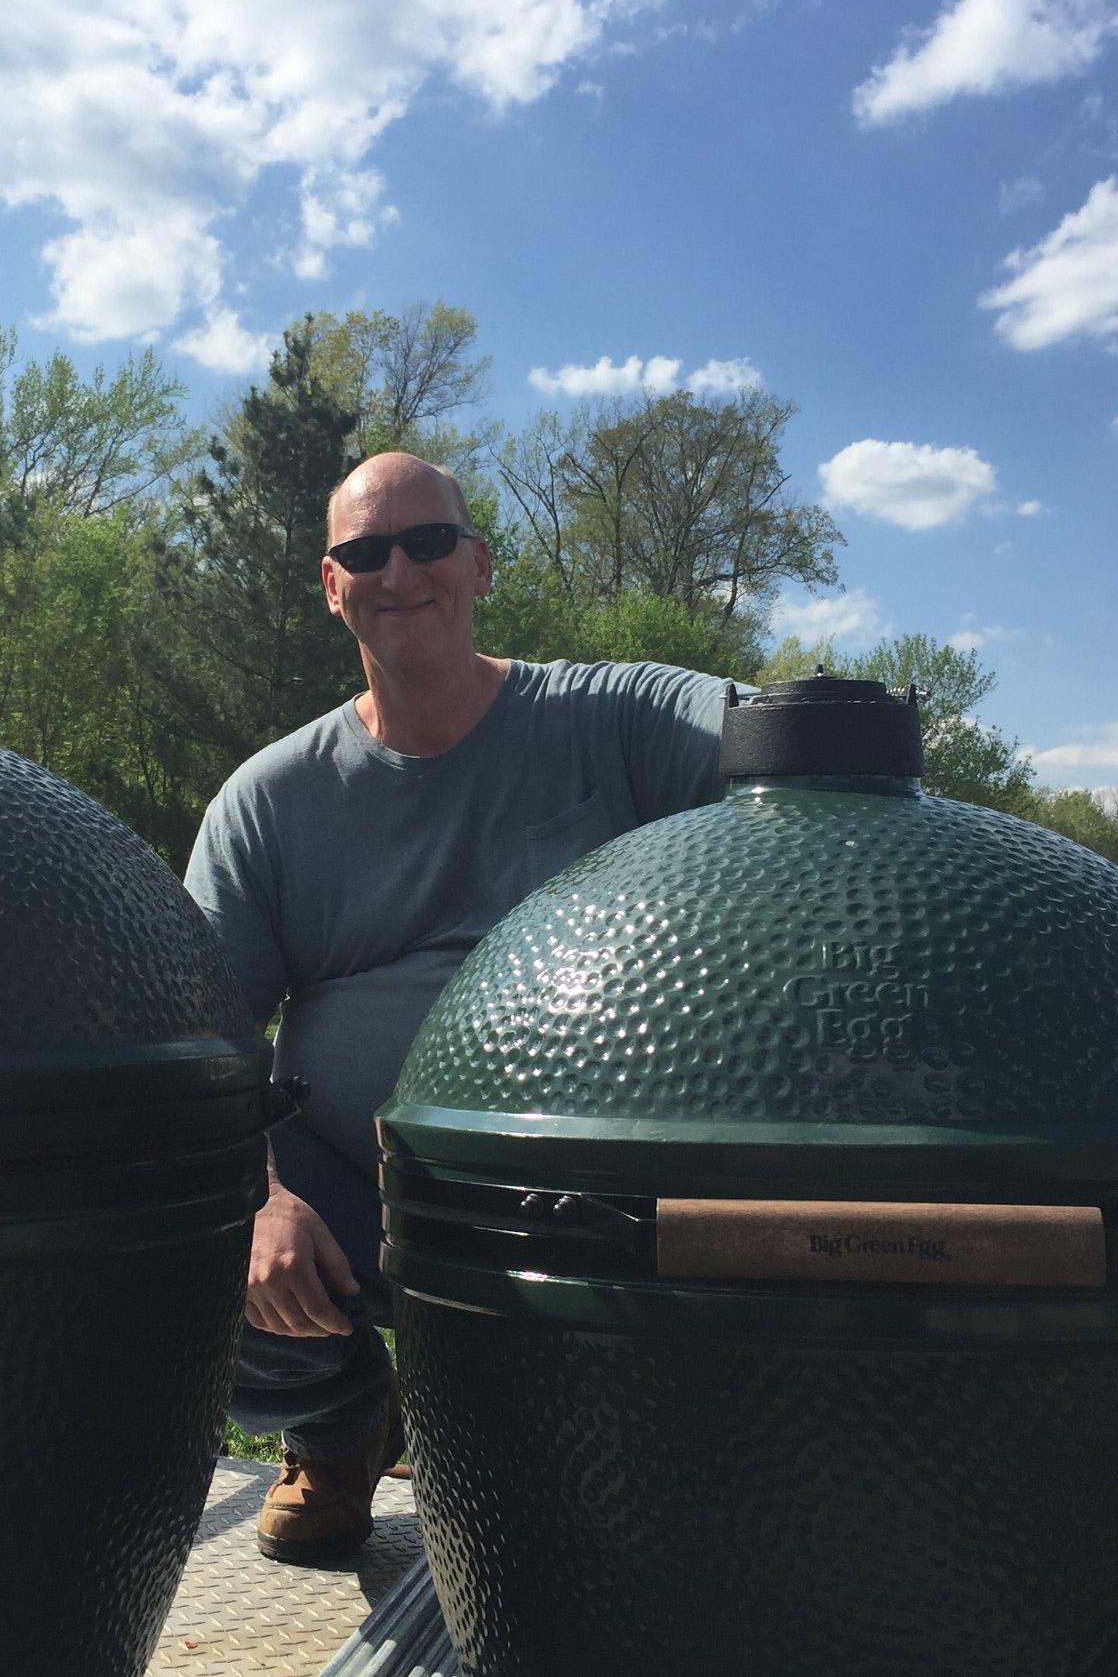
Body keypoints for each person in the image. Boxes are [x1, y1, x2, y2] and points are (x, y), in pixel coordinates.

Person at [184, 451, 729, 1564]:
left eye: (428, 542)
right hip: (359, 1190)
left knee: (593, 1531)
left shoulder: (616, 718)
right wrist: (261, 1199)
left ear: (478, 563)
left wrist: (827, 739)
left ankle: (606, 1448)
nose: (400, 572)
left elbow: (779, 752)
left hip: (599, 1201)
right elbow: (204, 1041)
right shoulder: (270, 800)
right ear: (331, 586)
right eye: (365, 552)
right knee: (184, 1236)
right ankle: (341, 1424)